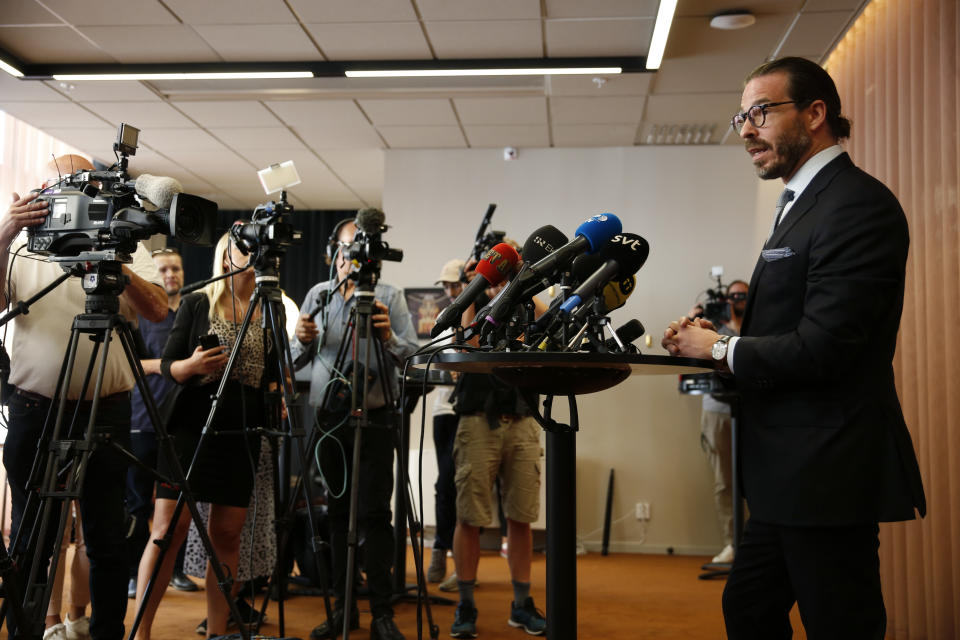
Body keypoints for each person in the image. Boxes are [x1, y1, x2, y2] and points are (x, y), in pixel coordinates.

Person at [662, 57, 925, 638]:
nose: (747, 129)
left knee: (840, 623)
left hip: (827, 469)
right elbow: (787, 328)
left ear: (815, 112)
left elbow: (826, 346)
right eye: (742, 117)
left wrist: (720, 350)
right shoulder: (800, 204)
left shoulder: (856, 204)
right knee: (750, 608)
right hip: (787, 473)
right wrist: (708, 341)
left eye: (761, 111)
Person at [1, 154, 167, 640]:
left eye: (84, 186)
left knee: (107, 540)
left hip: (106, 412)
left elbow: (157, 309)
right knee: (32, 540)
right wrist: (6, 231)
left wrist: (111, 260)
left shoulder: (123, 235)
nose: (74, 196)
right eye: (60, 186)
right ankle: (25, 631)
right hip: (36, 411)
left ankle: (107, 633)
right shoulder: (23, 243)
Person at [134, 231, 267, 640]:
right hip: (191, 427)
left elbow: (273, 374)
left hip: (241, 430)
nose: (255, 248)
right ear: (226, 257)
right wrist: (190, 367)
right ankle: (140, 633)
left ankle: (218, 631)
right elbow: (169, 364)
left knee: (226, 535)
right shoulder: (197, 302)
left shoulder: (269, 308)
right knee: (166, 533)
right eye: (245, 243)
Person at [292, 216, 418, 640]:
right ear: (333, 253)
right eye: (346, 250)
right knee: (338, 515)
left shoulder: (390, 296)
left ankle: (383, 612)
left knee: (377, 516)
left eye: (359, 249)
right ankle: (343, 608)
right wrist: (302, 340)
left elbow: (413, 357)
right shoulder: (318, 295)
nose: (352, 258)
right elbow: (294, 363)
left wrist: (390, 339)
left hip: (378, 418)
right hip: (330, 421)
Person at [448, 245, 547, 639]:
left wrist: (524, 280)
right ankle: (466, 604)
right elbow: (464, 345)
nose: (503, 275)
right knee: (470, 517)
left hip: (523, 419)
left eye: (509, 267)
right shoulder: (475, 300)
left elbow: (548, 321)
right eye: (500, 268)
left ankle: (521, 604)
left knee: (520, 516)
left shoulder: (525, 301)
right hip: (477, 420)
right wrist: (477, 285)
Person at [125, 247, 198, 598]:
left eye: (176, 268)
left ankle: (177, 571)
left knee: (180, 504)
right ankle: (135, 574)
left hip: (179, 424)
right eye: (163, 269)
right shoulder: (139, 315)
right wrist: (169, 367)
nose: (170, 274)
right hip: (140, 421)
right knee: (138, 504)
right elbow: (129, 364)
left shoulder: (191, 314)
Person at [691, 279, 748, 566]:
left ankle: (752, 545)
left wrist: (737, 323)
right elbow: (694, 349)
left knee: (753, 479)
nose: (737, 299)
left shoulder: (756, 320)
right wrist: (692, 319)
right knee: (724, 481)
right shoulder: (712, 323)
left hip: (752, 409)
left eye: (742, 295)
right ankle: (732, 542)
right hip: (717, 410)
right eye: (732, 295)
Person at [426, 259, 464, 584]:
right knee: (444, 484)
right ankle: (440, 549)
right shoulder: (444, 319)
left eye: (456, 284)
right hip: (443, 410)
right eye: (447, 286)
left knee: (460, 485)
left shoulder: (479, 316)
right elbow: (432, 361)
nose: (451, 291)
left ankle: (459, 561)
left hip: (469, 410)